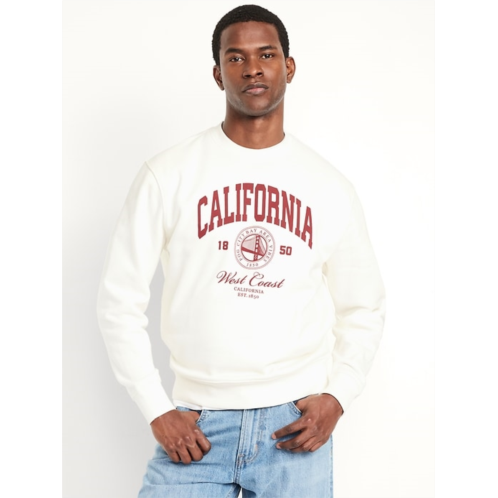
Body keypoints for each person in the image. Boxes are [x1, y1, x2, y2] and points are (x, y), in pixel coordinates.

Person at [97, 4, 386, 497]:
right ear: (218, 74)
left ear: (288, 67)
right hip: (197, 428)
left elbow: (364, 306)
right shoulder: (168, 174)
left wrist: (338, 396)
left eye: (266, 54)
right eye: (236, 57)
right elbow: (117, 301)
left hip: (294, 428)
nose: (253, 68)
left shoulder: (328, 187)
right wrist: (156, 408)